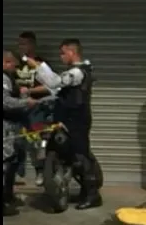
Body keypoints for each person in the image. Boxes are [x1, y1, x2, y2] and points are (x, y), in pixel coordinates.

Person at [26, 39, 102, 210]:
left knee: (80, 156)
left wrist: (39, 67)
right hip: (68, 119)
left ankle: (92, 195)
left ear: (71, 52)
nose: (60, 57)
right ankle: (83, 190)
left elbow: (54, 83)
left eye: (62, 53)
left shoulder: (77, 73)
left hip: (76, 120)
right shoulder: (79, 71)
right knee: (72, 154)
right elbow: (58, 92)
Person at [3, 49, 37, 216]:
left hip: (11, 126)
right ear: (6, 63)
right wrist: (26, 102)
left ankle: (8, 197)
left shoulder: (8, 79)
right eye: (13, 65)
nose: (15, 69)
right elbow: (6, 102)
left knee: (12, 162)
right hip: (5, 127)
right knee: (4, 165)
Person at [15, 31, 50, 186]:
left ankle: (40, 172)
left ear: (32, 45)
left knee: (37, 142)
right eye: (19, 44)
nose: (21, 47)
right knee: (17, 142)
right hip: (17, 109)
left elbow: (50, 86)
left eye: (24, 43)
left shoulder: (40, 64)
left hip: (35, 109)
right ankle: (18, 174)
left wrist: (29, 91)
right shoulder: (15, 63)